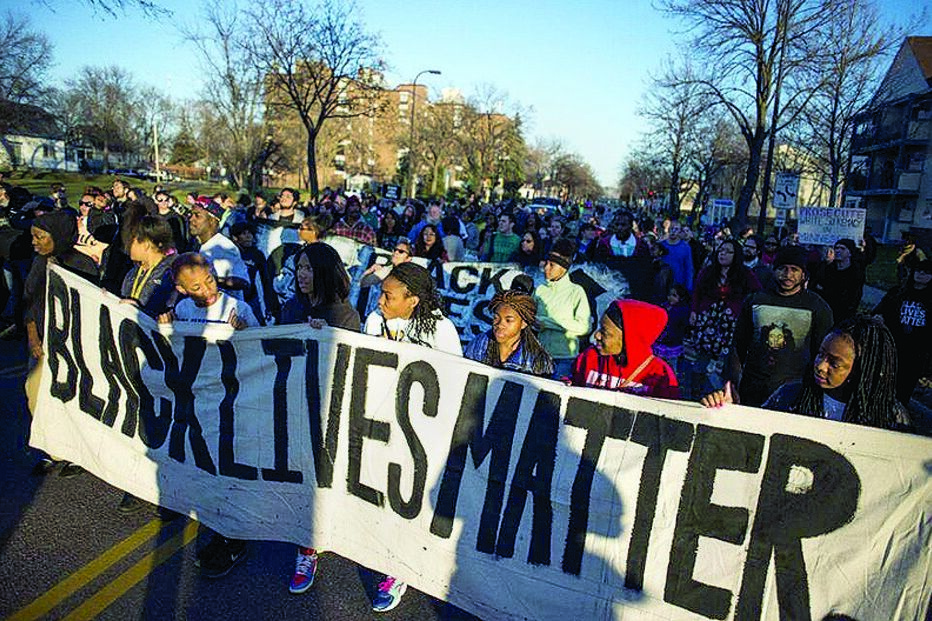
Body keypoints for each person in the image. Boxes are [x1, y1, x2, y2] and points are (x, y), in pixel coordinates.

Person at [362, 261, 462, 612]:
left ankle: (398, 569)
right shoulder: (375, 321)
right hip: (380, 424)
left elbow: (455, 379)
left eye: (388, 295)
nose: (380, 301)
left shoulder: (441, 329)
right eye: (380, 293)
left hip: (421, 433)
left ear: (413, 300)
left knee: (409, 502)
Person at [279, 242, 360, 595]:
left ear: (325, 271)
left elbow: (351, 367)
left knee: (318, 485)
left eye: (309, 268)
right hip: (290, 407)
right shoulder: (289, 308)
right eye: (298, 267)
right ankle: (306, 543)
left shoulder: (345, 315)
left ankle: (309, 549)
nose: (302, 275)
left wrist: (325, 339)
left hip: (326, 413)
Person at [702, 315, 913, 432]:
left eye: (835, 363)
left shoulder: (892, 416)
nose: (820, 366)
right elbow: (757, 438)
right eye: (821, 355)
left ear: (864, 370)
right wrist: (732, 414)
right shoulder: (789, 396)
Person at [24, 211, 100, 476]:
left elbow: (91, 307)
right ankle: (54, 450)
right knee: (37, 392)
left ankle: (80, 453)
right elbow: (29, 302)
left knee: (74, 398)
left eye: (40, 237)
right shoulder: (39, 263)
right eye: (33, 236)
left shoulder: (82, 265)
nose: (34, 242)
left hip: (72, 346)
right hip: (44, 344)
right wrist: (34, 337)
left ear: (57, 236)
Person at [730, 245, 834, 406]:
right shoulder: (755, 301)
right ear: (773, 270)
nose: (788, 274)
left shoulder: (817, 306)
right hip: (752, 388)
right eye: (783, 268)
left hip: (795, 390)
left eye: (794, 269)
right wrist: (733, 384)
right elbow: (738, 345)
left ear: (803, 274)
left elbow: (822, 351)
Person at [681, 239, 760, 399]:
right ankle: (695, 394)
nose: (723, 254)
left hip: (731, 322)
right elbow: (697, 292)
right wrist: (694, 311)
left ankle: (724, 394)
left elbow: (757, 292)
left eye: (728, 251)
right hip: (708, 320)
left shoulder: (745, 274)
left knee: (727, 361)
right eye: (721, 250)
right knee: (701, 359)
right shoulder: (708, 271)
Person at [571, 299, 679, 398]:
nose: (596, 335)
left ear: (630, 339)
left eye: (605, 332)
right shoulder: (589, 358)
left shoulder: (661, 375)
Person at [873, 258, 932, 405]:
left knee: (904, 388)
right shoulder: (898, 292)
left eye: (926, 273)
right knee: (883, 382)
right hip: (893, 345)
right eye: (919, 271)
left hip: (916, 351)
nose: (921, 275)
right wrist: (878, 316)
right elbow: (880, 310)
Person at [534, 238, 591, 379]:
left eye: (552, 265)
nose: (546, 268)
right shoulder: (539, 289)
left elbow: (584, 327)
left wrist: (547, 322)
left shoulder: (576, 291)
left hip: (565, 359)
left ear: (564, 268)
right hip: (540, 357)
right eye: (546, 263)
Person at [464, 289, 554, 377]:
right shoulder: (479, 344)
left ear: (524, 323)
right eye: (496, 318)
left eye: (508, 320)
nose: (500, 325)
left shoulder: (538, 360)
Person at [187, 200, 249, 300]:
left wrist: (209, 280)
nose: (191, 219)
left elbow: (243, 282)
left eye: (197, 216)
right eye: (191, 215)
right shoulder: (198, 245)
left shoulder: (223, 246)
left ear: (212, 221)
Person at [812, 238, 865, 322]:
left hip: (843, 315)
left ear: (850, 253)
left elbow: (854, 297)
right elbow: (816, 286)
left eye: (842, 248)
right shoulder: (827, 269)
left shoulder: (856, 273)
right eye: (836, 248)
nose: (838, 251)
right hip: (824, 311)